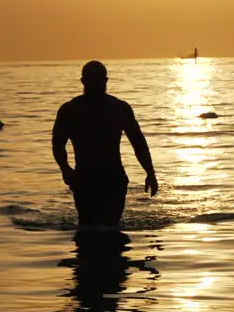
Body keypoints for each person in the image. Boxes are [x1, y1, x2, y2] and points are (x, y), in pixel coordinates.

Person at [52, 61, 158, 229]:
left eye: (99, 79)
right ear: (83, 81)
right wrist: (65, 169)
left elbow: (138, 142)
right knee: (87, 229)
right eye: (91, 79)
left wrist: (150, 173)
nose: (95, 83)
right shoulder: (70, 110)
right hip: (84, 180)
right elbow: (58, 144)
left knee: (111, 228)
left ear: (106, 81)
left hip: (114, 179)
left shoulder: (119, 108)